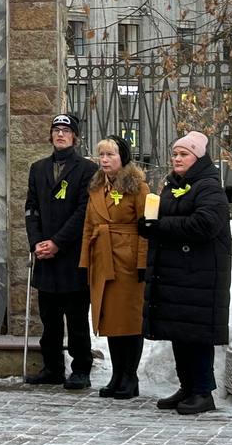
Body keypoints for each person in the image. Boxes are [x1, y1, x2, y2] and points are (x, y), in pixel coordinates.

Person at [139, 131, 232, 415]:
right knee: (179, 332)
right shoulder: (173, 184)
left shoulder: (208, 187)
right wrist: (146, 225)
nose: (177, 158)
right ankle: (187, 387)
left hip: (200, 275)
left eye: (184, 154)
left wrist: (161, 228)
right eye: (175, 154)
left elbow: (205, 224)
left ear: (198, 157)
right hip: (177, 273)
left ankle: (203, 392)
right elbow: (165, 219)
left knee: (197, 334)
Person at [24, 113, 98, 389]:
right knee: (49, 319)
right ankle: (52, 367)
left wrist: (57, 242)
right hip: (45, 256)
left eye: (66, 131)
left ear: (75, 137)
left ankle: (81, 368)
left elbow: (83, 212)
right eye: (56, 130)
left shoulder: (86, 169)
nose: (60, 135)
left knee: (76, 318)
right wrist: (37, 242)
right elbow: (31, 208)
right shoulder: (38, 168)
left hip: (71, 255)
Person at [80, 135, 148, 399]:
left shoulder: (137, 187)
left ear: (123, 158)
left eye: (110, 155)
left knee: (129, 321)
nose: (105, 160)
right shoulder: (96, 188)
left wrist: (143, 262)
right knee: (110, 320)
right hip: (103, 259)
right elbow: (89, 226)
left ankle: (130, 376)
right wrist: (86, 261)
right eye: (102, 155)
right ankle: (117, 374)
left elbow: (146, 228)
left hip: (127, 262)